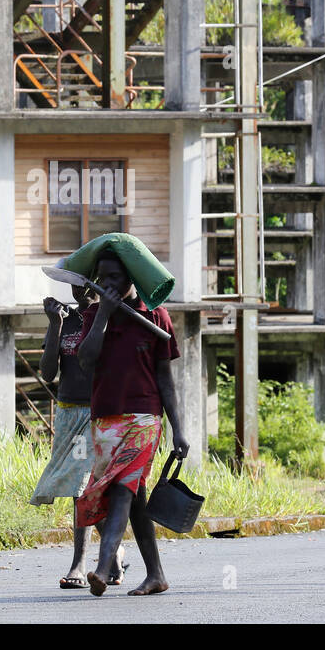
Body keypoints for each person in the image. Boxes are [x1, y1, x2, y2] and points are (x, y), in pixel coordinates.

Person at [76, 249, 189, 597]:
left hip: (144, 418)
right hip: (106, 420)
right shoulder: (95, 314)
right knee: (134, 497)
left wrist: (178, 429)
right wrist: (103, 316)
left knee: (123, 490)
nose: (109, 284)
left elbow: (165, 380)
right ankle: (156, 574)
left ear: (133, 279)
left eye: (117, 277)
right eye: (104, 277)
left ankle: (102, 566)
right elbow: (86, 361)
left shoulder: (155, 317)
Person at [30, 283, 125, 589]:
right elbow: (47, 373)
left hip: (101, 412)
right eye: (74, 282)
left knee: (83, 488)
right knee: (79, 487)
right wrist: (55, 324)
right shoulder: (66, 318)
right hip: (69, 412)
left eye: (86, 281)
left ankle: (80, 565)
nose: (79, 289)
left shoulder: (111, 316)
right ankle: (114, 550)